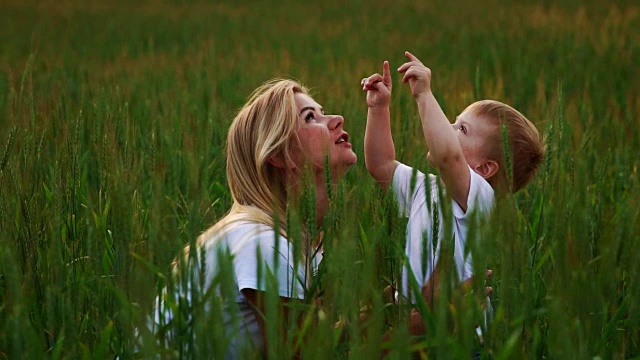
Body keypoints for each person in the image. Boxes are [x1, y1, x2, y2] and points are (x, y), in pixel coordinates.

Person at [153, 79, 358, 358]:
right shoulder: (264, 244)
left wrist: (398, 302)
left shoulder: (292, 242)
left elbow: (328, 336)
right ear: (277, 154)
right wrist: (418, 327)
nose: (336, 119)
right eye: (310, 117)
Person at [361, 52, 545, 336]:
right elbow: (381, 165)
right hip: (417, 322)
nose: (447, 128)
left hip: (458, 333)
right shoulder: (427, 187)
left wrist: (424, 95)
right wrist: (379, 109)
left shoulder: (480, 198)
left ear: (485, 168)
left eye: (461, 128)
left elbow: (450, 157)